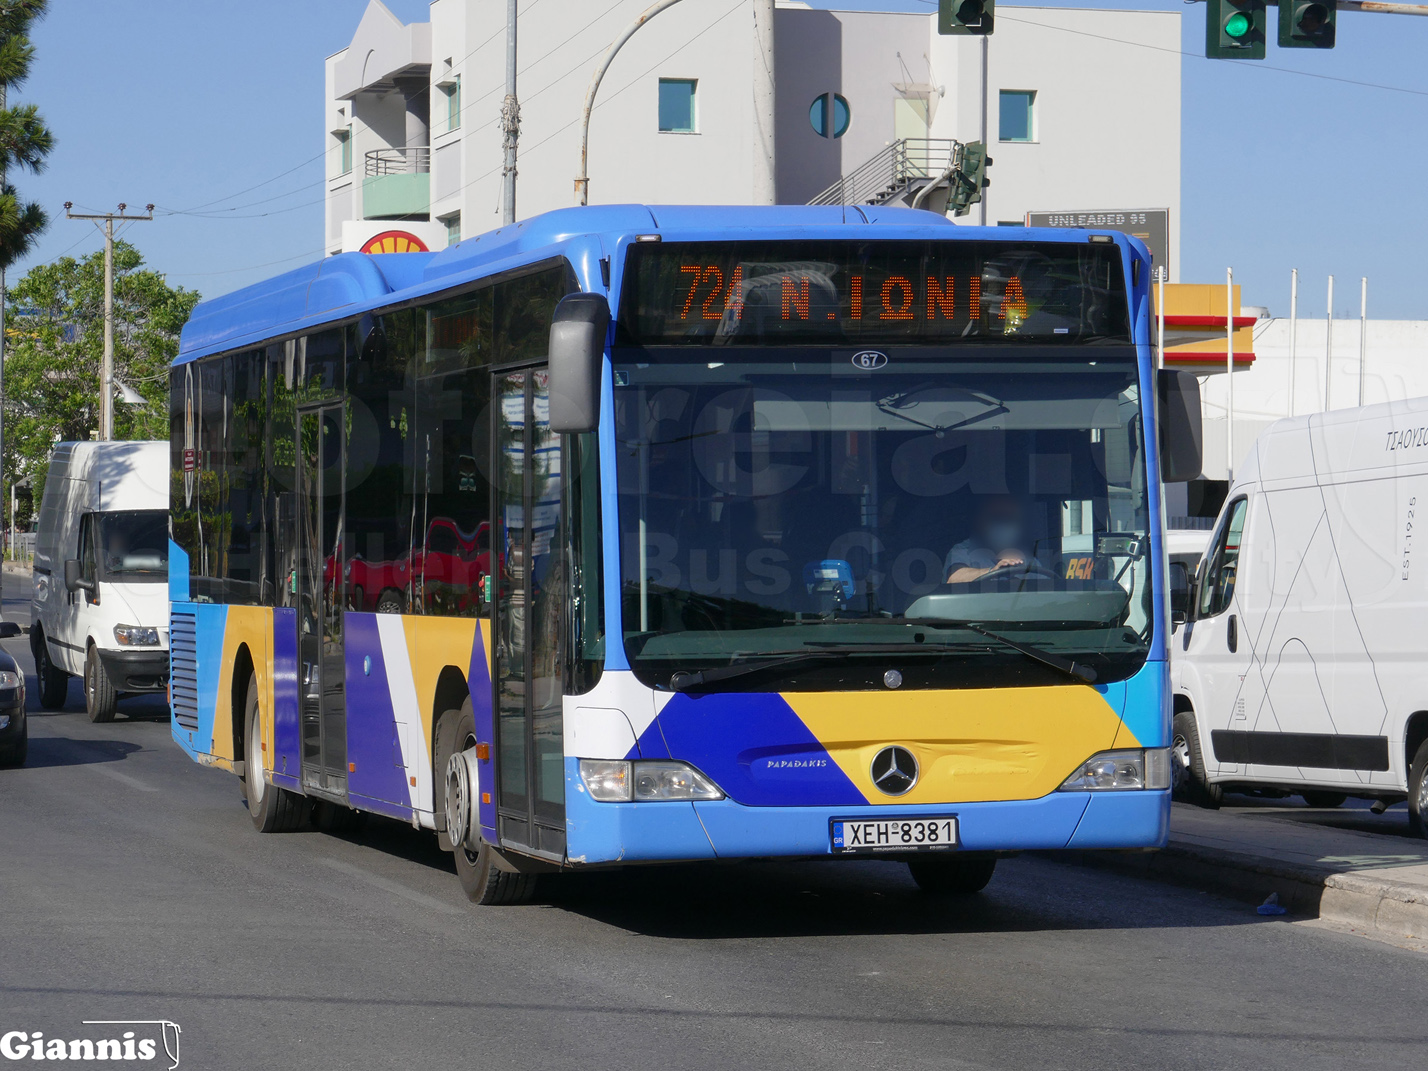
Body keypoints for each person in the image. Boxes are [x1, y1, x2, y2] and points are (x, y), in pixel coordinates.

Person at [945, 495, 1040, 583]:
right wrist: (994, 572)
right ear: (979, 520)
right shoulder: (963, 551)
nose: (1004, 524)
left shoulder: (1028, 559)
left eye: (1011, 518)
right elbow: (954, 579)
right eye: (997, 517)